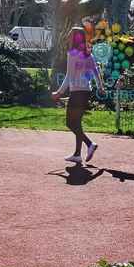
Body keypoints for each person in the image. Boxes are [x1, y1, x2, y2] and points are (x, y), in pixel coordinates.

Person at [52, 27, 106, 164]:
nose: (68, 36)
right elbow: (96, 71)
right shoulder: (88, 54)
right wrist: (100, 87)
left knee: (70, 123)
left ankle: (89, 144)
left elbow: (69, 76)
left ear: (75, 38)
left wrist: (59, 93)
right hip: (86, 92)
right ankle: (77, 154)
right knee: (77, 123)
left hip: (76, 93)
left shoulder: (72, 54)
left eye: (70, 35)